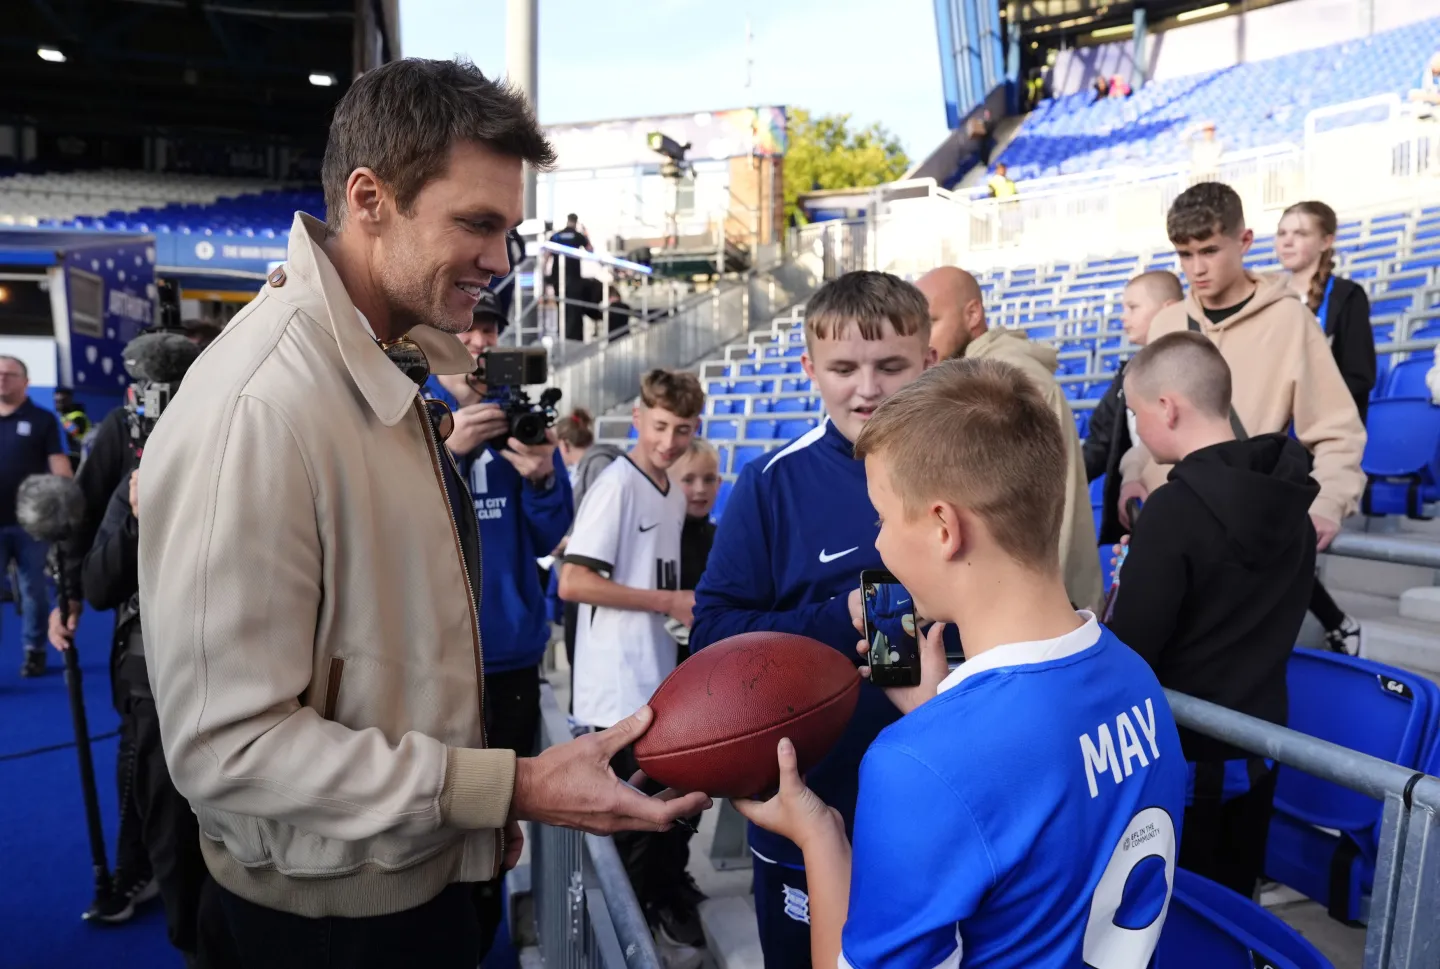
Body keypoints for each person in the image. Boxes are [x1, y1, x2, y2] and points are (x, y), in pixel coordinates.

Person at [135, 58, 709, 969]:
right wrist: (504, 786)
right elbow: (228, 746)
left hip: (412, 880)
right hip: (330, 930)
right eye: (477, 223)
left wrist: (467, 821)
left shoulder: (380, 366)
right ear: (370, 199)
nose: (502, 259)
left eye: (508, 229)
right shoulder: (261, 406)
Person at [735, 357, 1186, 969]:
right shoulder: (1136, 677)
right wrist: (937, 712)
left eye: (883, 518)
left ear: (944, 527)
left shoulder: (916, 765)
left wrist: (820, 834)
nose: (878, 542)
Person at [691, 271, 936, 969]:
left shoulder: (968, 474)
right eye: (844, 368)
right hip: (813, 794)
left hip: (940, 800)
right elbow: (711, 633)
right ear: (809, 368)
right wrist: (839, 617)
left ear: (929, 361)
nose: (868, 389)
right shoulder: (771, 483)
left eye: (891, 366)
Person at [1108, 332, 1316, 898]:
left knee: (1186, 909)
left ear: (1168, 408)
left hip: (1188, 752)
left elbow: (1132, 649)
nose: (1136, 429)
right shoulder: (1292, 503)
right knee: (1235, 904)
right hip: (1261, 742)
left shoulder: (1173, 510)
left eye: (1136, 415)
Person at [1119, 182, 1367, 562]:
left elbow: (1337, 430)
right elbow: (1153, 425)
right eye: (1185, 254)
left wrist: (1329, 501)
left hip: (1240, 531)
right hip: (1164, 517)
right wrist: (1134, 474)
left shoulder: (1289, 320)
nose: (1197, 268)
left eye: (1209, 250)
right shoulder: (1166, 323)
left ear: (1245, 241)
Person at [558, 367, 706, 953]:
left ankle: (647, 928)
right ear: (639, 418)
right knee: (628, 834)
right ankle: (622, 947)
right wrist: (668, 601)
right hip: (616, 692)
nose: (669, 441)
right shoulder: (617, 483)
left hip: (652, 682)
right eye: (660, 425)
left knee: (656, 826)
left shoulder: (670, 490)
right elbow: (573, 582)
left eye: (682, 430)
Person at [422, 289, 575, 760]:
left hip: (511, 651)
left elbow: (549, 538)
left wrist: (543, 479)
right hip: (432, 653)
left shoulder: (523, 418)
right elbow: (394, 528)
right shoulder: (410, 409)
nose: (478, 339)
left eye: (488, 329)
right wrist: (446, 454)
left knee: (510, 795)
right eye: (465, 327)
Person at [915, 265, 1103, 611]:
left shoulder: (1003, 380)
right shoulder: (984, 374)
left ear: (973, 313)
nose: (923, 340)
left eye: (932, 322)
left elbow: (1024, 510)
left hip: (1034, 608)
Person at [1277, 199, 1375, 654]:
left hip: (1314, 452)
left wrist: (1311, 396)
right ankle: (1335, 623)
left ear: (1326, 241)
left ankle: (1336, 623)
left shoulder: (1347, 296)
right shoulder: (1270, 299)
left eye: (1299, 233)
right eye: (1282, 232)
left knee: (1285, 544)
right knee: (1274, 546)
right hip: (1272, 448)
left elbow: (1359, 376)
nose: (1287, 241)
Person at [1084, 270, 1183, 546]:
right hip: (1138, 515)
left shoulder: (1197, 366)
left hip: (1183, 510)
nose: (1123, 317)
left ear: (1168, 309)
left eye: (1133, 307)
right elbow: (1099, 444)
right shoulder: (1126, 375)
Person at [0, 354, 72, 678]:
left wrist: (67, 507)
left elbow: (60, 466)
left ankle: (34, 650)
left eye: (10, 374)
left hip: (32, 525)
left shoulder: (42, 420)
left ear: (26, 382)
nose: (2, 378)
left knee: (34, 592)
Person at [548, 213, 593, 342]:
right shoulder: (578, 236)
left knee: (561, 306)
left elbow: (547, 255)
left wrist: (544, 276)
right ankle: (574, 336)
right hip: (573, 277)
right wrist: (586, 233)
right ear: (576, 222)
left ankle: (561, 334)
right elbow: (590, 250)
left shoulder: (556, 236)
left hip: (557, 276)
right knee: (574, 307)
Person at [53, 387, 91, 470]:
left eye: (62, 401)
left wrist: (60, 419)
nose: (59, 404)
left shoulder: (78, 416)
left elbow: (74, 431)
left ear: (69, 400)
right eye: (57, 402)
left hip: (75, 456)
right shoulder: (60, 417)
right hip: (61, 457)